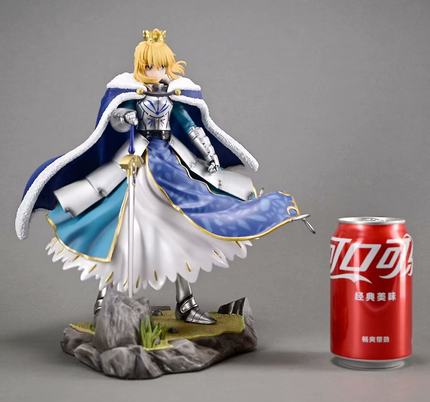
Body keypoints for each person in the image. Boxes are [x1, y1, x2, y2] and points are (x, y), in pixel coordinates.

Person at [15, 29, 311, 325]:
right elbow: (114, 120)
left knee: (181, 229)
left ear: (168, 66)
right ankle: (105, 299)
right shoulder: (133, 95)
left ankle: (185, 302)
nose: (154, 71)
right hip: (136, 166)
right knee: (120, 233)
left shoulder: (174, 97)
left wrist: (209, 153)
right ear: (140, 67)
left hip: (170, 163)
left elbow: (193, 128)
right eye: (148, 66)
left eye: (159, 66)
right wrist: (126, 117)